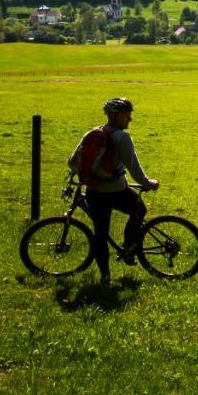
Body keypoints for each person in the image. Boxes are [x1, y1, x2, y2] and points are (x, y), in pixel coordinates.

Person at [67, 98, 159, 284]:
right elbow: (133, 166)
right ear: (115, 116)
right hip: (116, 191)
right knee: (139, 210)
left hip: (94, 192)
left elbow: (73, 161)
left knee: (100, 234)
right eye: (127, 115)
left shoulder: (93, 132)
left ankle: (105, 277)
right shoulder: (121, 137)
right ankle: (129, 247)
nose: (130, 119)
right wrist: (147, 182)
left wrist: (85, 175)